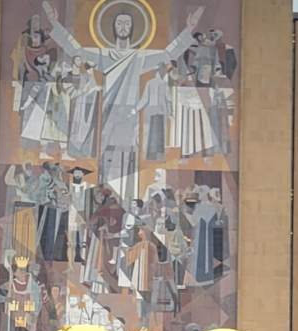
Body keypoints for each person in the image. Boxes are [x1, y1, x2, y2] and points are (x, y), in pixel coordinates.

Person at [41, 0, 204, 206]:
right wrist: (56, 25)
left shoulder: (140, 58)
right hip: (108, 112)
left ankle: (125, 205)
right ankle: (100, 203)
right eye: (119, 23)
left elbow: (167, 54)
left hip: (129, 114)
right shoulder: (103, 55)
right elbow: (78, 52)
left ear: (134, 28)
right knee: (105, 159)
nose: (123, 27)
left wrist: (189, 29)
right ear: (112, 27)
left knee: (128, 158)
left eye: (127, 23)